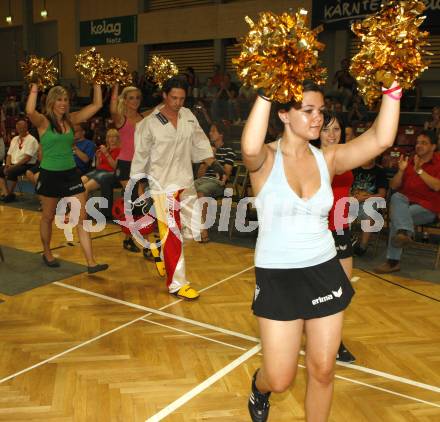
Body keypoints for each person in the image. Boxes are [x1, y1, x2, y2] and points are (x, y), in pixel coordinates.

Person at [241, 78, 400, 422]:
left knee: (323, 369)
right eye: (308, 110)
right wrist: (268, 88)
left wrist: (393, 86)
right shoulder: (265, 158)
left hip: (324, 269)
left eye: (321, 111)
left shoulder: (327, 158)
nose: (318, 119)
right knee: (281, 378)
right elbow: (249, 146)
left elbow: (381, 138)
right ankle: (260, 386)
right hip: (277, 275)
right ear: (283, 113)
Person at [131, 77, 221, 300]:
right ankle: (177, 283)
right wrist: (138, 183)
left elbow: (200, 140)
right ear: (164, 95)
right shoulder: (148, 124)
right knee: (173, 235)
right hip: (162, 185)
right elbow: (140, 155)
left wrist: (212, 162)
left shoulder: (188, 116)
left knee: (195, 230)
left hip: (186, 181)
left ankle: (160, 253)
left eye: (182, 98)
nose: (178, 102)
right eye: (174, 98)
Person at [25, 83, 108, 273]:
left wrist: (95, 83)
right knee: (47, 216)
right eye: (59, 99)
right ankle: (46, 252)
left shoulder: (71, 119)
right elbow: (29, 110)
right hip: (50, 174)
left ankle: (91, 263)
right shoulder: (43, 122)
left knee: (81, 217)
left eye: (66, 100)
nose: (63, 103)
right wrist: (35, 88)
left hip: (70, 174)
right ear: (52, 101)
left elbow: (96, 105)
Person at [318, 111, 356, 363]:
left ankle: (333, 338)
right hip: (319, 228)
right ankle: (330, 342)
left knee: (344, 287)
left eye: (337, 129)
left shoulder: (347, 154)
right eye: (326, 129)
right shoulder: (314, 158)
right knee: (320, 288)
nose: (332, 135)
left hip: (341, 225)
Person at [374, 130, 440, 274]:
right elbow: (393, 186)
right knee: (397, 197)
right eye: (417, 142)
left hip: (428, 208)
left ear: (433, 147)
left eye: (424, 143)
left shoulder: (438, 162)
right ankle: (405, 233)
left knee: (397, 219)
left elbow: (436, 185)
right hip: (405, 204)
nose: (418, 145)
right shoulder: (409, 161)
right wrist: (401, 171)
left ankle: (393, 261)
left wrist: (419, 170)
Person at [110, 84, 150, 253]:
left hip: (140, 165)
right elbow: (112, 107)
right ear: (125, 101)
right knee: (139, 201)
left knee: (138, 204)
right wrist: (115, 84)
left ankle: (128, 239)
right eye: (131, 98)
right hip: (125, 165)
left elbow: (160, 108)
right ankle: (147, 245)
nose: (135, 101)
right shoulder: (121, 119)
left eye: (137, 98)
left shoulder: (143, 117)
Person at [195, 121, 236, 242]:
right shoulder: (207, 150)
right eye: (210, 131)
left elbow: (226, 174)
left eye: (213, 131)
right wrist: (208, 159)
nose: (210, 133)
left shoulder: (229, 150)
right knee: (183, 190)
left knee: (201, 192)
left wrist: (213, 160)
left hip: (217, 183)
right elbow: (199, 175)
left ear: (221, 134)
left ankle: (203, 231)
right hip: (203, 180)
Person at [350, 158, 388, 256]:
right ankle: (343, 241)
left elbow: (382, 194)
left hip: (370, 200)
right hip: (352, 198)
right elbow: (345, 188)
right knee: (339, 206)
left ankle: (362, 246)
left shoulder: (380, 172)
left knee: (369, 210)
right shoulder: (353, 169)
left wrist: (364, 198)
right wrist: (351, 197)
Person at [0, 119, 38, 202]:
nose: (19, 129)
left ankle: (9, 194)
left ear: (26, 127)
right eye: (18, 127)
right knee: (1, 170)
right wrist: (7, 165)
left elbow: (27, 158)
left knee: (12, 171)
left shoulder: (32, 140)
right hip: (13, 164)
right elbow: (9, 154)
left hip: (27, 164)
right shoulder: (14, 139)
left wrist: (12, 167)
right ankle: (7, 194)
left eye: (21, 127)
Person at [81, 128, 120, 198]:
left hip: (109, 173)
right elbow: (98, 167)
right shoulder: (105, 149)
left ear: (118, 138)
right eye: (109, 137)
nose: (111, 139)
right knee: (78, 185)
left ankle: (81, 208)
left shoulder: (120, 150)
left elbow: (115, 167)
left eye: (114, 137)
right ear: (107, 139)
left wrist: (106, 153)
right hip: (98, 171)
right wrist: (98, 157)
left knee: (85, 187)